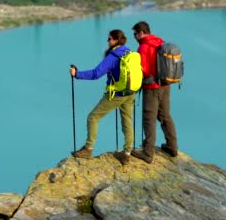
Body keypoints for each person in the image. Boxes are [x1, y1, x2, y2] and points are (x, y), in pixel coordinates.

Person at [70, 29, 136, 165]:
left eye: (110, 39)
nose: (108, 41)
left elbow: (96, 74)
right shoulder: (128, 52)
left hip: (116, 94)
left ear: (116, 40)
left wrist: (77, 74)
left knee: (93, 117)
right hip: (130, 92)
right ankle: (127, 153)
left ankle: (88, 149)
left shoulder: (113, 56)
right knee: (127, 121)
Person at [130, 21, 178, 164]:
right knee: (164, 115)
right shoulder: (159, 42)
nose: (135, 37)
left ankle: (148, 152)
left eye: (135, 34)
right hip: (165, 84)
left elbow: (143, 70)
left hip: (152, 87)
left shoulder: (144, 47)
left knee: (149, 118)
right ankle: (172, 146)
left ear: (141, 33)